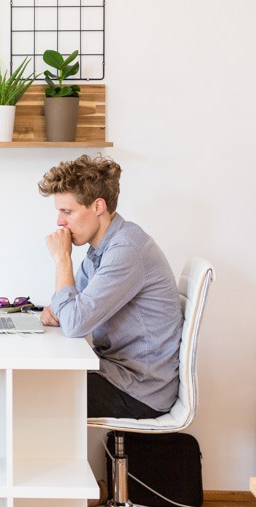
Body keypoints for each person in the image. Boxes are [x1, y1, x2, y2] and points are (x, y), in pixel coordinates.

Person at [38, 155, 183, 419]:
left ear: (98, 206)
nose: (60, 222)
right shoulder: (101, 249)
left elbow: (73, 323)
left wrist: (62, 259)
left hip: (140, 390)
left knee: (37, 393)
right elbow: (68, 308)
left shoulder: (126, 250)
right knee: (37, 383)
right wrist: (61, 309)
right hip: (117, 374)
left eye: (67, 212)